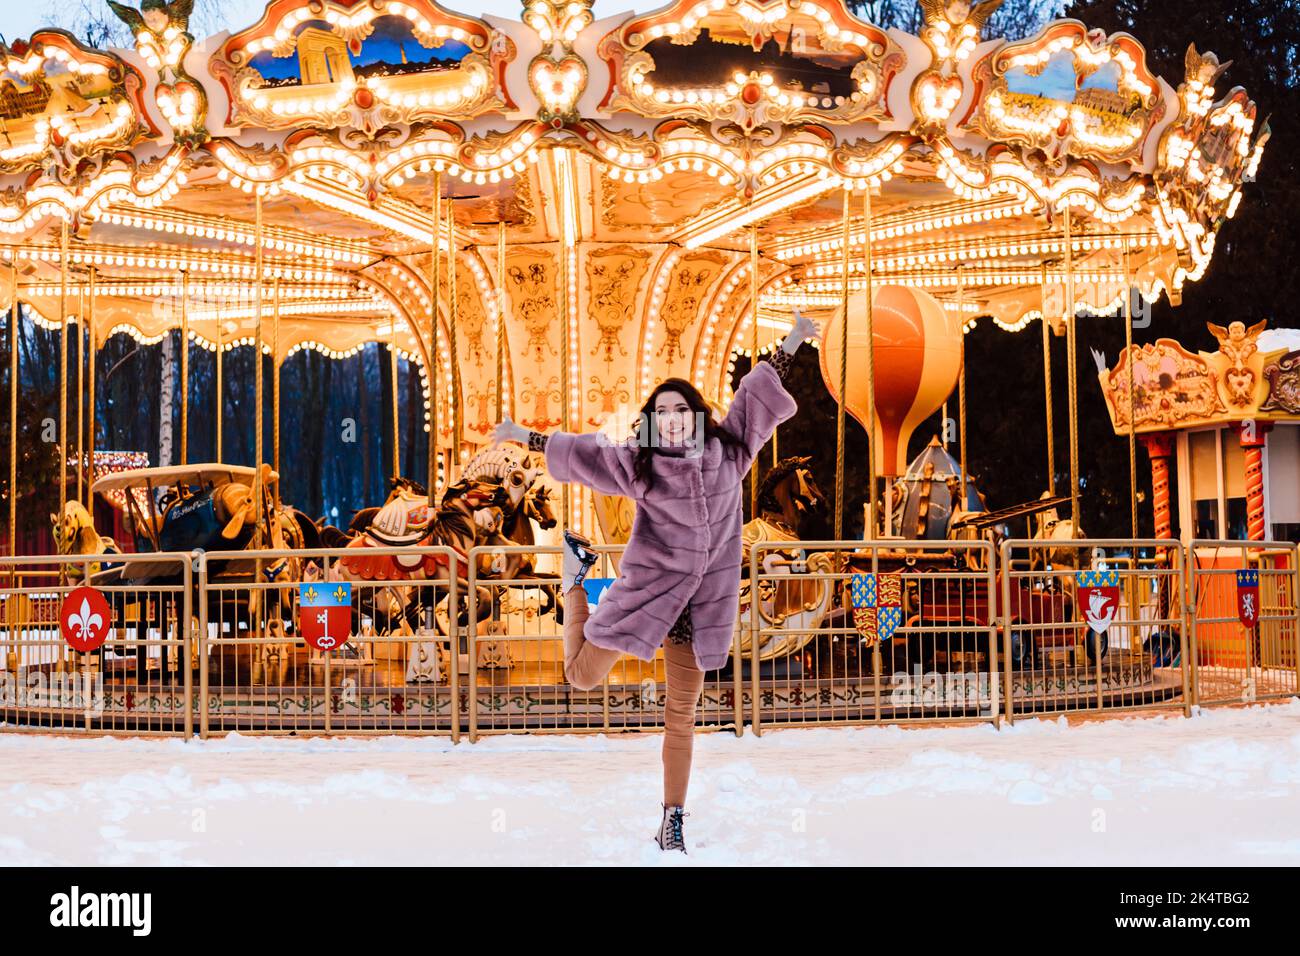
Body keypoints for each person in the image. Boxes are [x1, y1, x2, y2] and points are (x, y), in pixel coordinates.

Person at [491, 309, 815, 852]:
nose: (670, 419)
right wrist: (529, 437)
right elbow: (590, 457)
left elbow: (754, 402)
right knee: (583, 677)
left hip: (702, 607)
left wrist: (795, 342)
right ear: (650, 421)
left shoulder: (728, 454)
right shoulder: (641, 465)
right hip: (648, 592)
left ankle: (672, 818)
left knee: (681, 717)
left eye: (679, 409)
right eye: (661, 412)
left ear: (695, 415)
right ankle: (575, 580)